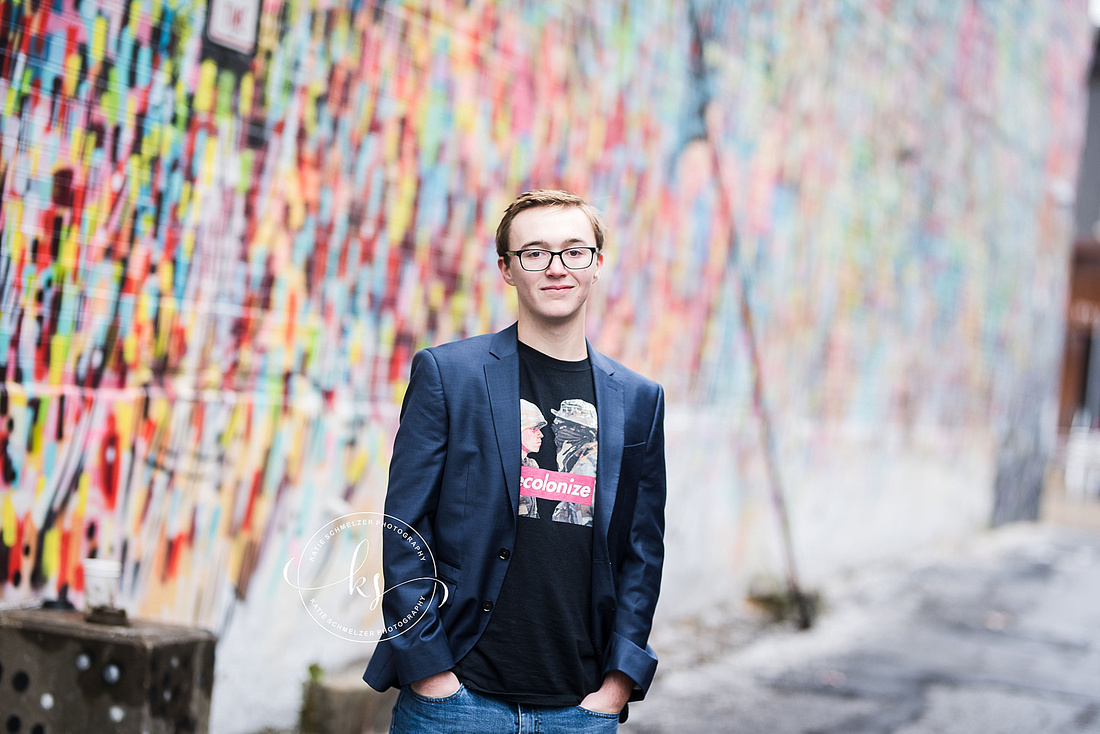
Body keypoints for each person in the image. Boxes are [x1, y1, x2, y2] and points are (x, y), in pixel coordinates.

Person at [363, 189, 667, 733]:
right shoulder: (448, 375)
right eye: (535, 253)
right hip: (457, 701)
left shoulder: (640, 400)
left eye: (575, 251)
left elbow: (642, 554)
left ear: (598, 264)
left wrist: (616, 685)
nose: (557, 268)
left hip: (579, 709)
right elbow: (403, 528)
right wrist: (431, 673)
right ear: (507, 268)